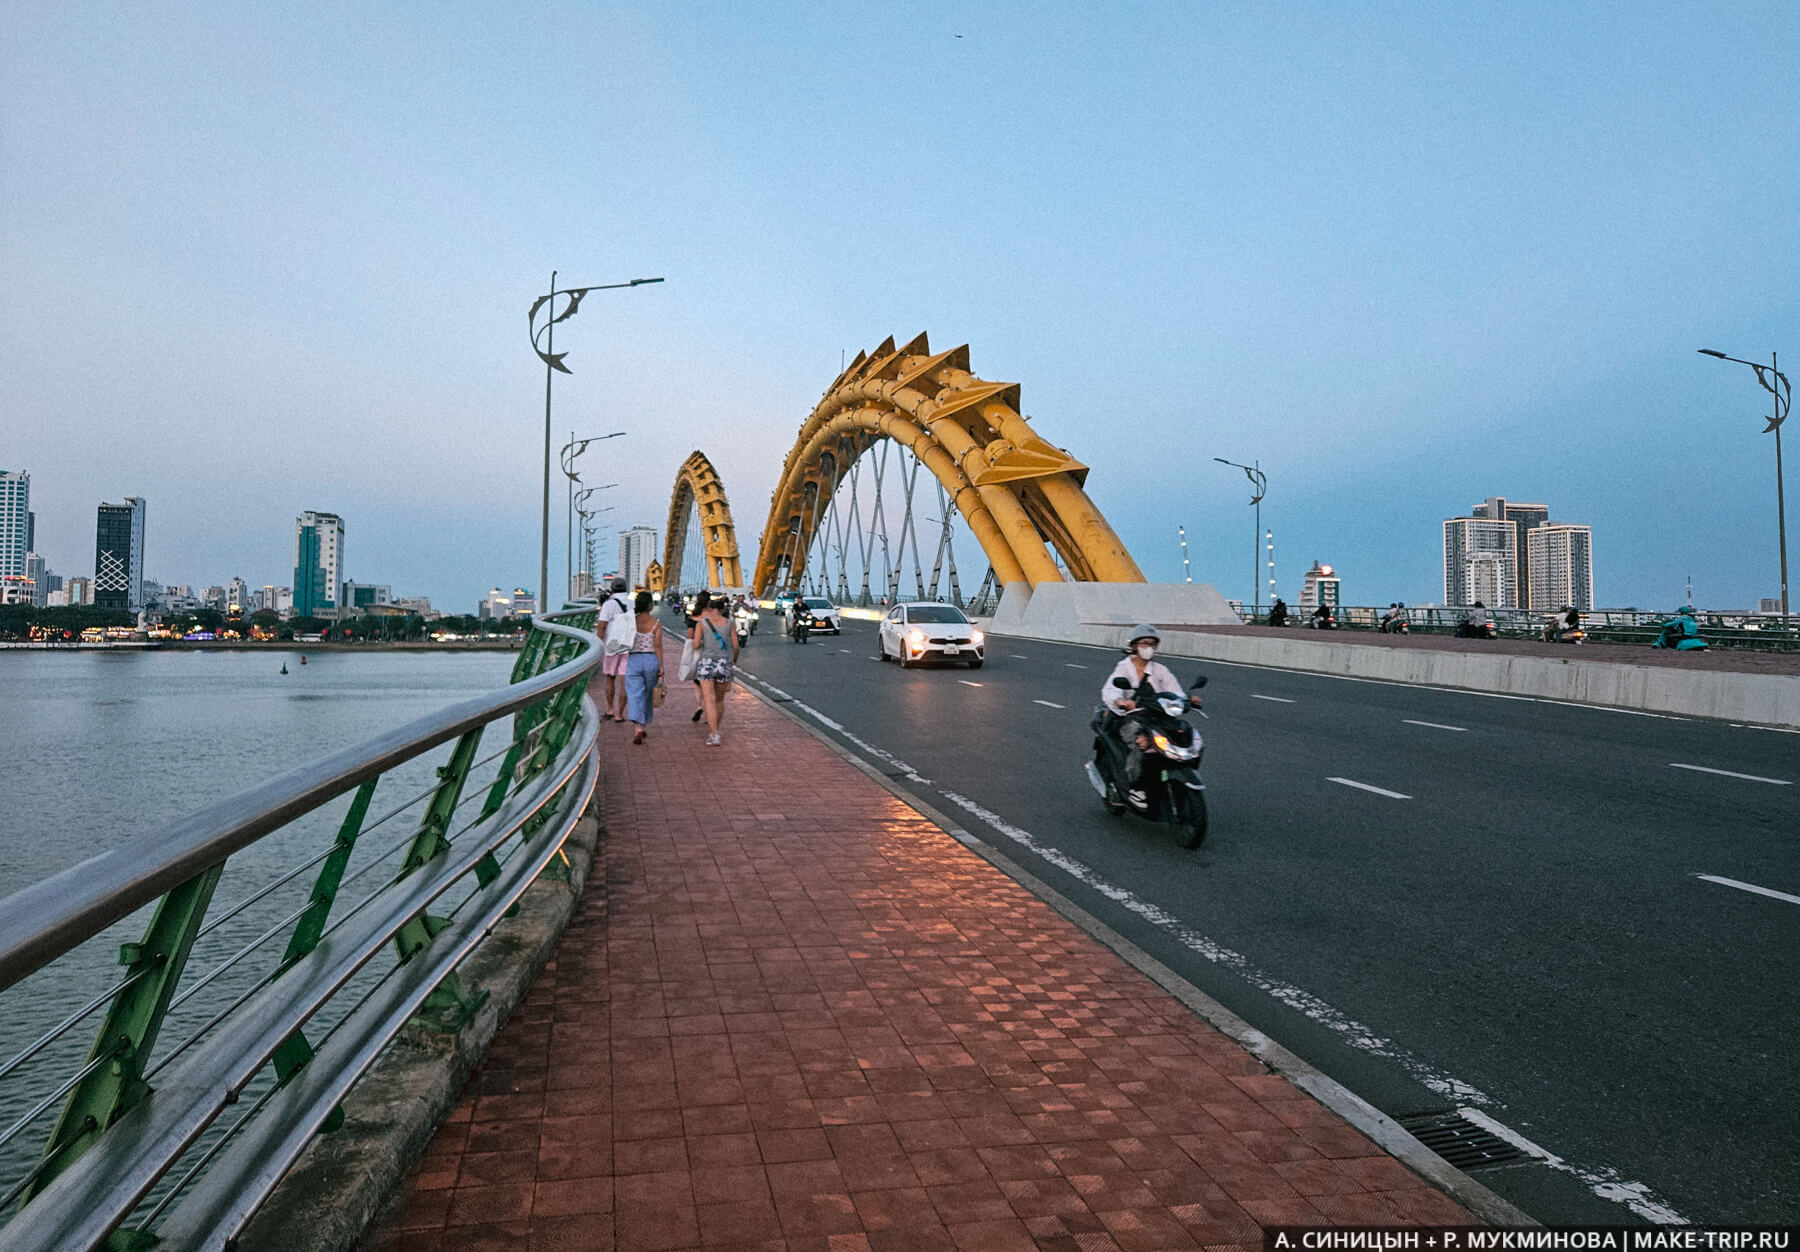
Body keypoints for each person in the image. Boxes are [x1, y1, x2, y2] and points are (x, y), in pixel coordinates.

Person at [1100, 624, 1197, 803]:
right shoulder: (1124, 668)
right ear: (1135, 646)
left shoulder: (1160, 670)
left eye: (1153, 644)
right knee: (1143, 743)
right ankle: (1135, 787)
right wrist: (1121, 701)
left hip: (1157, 716)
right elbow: (1110, 691)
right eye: (1145, 643)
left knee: (1185, 736)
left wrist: (1187, 700)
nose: (1149, 647)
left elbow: (1175, 690)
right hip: (1129, 717)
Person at [690, 591, 740, 745]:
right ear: (723, 609)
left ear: (711, 608)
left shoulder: (701, 624)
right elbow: (736, 646)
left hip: (706, 663)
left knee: (709, 700)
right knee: (719, 700)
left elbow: (696, 644)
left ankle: (714, 734)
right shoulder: (729, 623)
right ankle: (716, 729)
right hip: (724, 663)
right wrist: (734, 660)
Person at [623, 591, 664, 745]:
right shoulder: (656, 623)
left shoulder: (630, 622)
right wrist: (661, 666)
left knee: (634, 693)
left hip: (633, 659)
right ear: (650, 605)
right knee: (647, 693)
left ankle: (638, 727)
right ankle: (644, 722)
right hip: (650, 659)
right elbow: (658, 646)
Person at [597, 577, 633, 721]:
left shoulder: (609, 604)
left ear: (611, 589)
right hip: (628, 644)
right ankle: (620, 714)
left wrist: (599, 646)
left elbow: (601, 626)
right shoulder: (632, 603)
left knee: (610, 678)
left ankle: (610, 709)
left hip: (612, 645)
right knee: (624, 681)